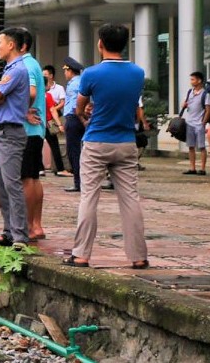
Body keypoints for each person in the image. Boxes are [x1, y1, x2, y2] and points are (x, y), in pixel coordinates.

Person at [65, 23, 149, 270]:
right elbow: (129, 103)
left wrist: (87, 114)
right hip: (126, 141)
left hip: (97, 141)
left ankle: (81, 254)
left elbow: (79, 107)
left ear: (100, 43)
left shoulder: (91, 74)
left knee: (89, 197)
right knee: (130, 199)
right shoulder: (137, 73)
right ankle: (138, 256)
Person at [0, 28, 32, 247]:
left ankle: (20, 235)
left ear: (11, 45)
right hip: (2, 132)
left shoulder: (16, 70)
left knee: (12, 185)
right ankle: (9, 231)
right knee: (1, 186)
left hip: (10, 132)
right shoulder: (10, 70)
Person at [14, 28, 47, 241]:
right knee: (33, 177)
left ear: (22, 45)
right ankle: (36, 224)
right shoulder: (33, 63)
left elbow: (31, 91)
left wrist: (23, 110)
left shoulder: (25, 65)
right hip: (36, 131)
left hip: (27, 130)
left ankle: (28, 225)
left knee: (26, 178)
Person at [61, 57, 86, 192]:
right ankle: (82, 182)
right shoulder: (81, 81)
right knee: (81, 151)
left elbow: (76, 104)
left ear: (70, 71)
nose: (65, 73)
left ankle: (78, 183)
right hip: (79, 118)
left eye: (66, 71)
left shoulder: (74, 84)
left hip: (74, 118)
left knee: (73, 152)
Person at [181, 71, 210, 175]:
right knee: (191, 146)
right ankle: (192, 168)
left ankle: (202, 168)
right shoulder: (190, 92)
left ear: (199, 80)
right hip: (189, 123)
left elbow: (208, 110)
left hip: (199, 124)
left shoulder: (205, 94)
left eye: (193, 79)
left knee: (202, 147)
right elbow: (185, 104)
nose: (191, 81)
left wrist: (203, 123)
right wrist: (184, 105)